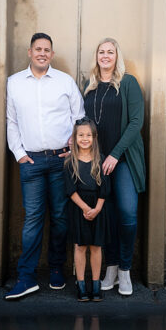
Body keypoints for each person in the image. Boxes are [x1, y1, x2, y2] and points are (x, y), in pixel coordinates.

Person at [5, 33, 85, 300]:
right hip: (31, 161)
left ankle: (55, 269)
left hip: (61, 161)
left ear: (52, 54)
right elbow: (12, 121)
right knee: (32, 221)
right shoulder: (14, 83)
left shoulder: (64, 81)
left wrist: (73, 146)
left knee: (61, 218)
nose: (42, 53)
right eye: (37, 49)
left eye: (47, 50)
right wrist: (18, 154)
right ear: (30, 52)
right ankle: (26, 277)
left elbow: (80, 116)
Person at [82, 37, 146, 296]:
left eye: (110, 52)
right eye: (101, 52)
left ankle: (125, 271)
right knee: (105, 216)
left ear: (117, 56)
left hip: (122, 160)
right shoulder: (90, 85)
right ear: (96, 56)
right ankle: (111, 267)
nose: (106, 56)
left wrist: (115, 155)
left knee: (127, 214)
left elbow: (136, 122)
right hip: (97, 162)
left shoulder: (128, 83)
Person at [64, 118, 110, 302]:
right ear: (74, 138)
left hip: (98, 208)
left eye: (88, 135)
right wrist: (85, 208)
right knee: (80, 246)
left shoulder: (102, 160)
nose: (85, 138)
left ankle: (96, 285)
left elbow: (105, 188)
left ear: (94, 137)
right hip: (78, 208)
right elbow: (70, 190)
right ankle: (81, 285)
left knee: (96, 247)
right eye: (81, 135)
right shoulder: (70, 162)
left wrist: (97, 209)